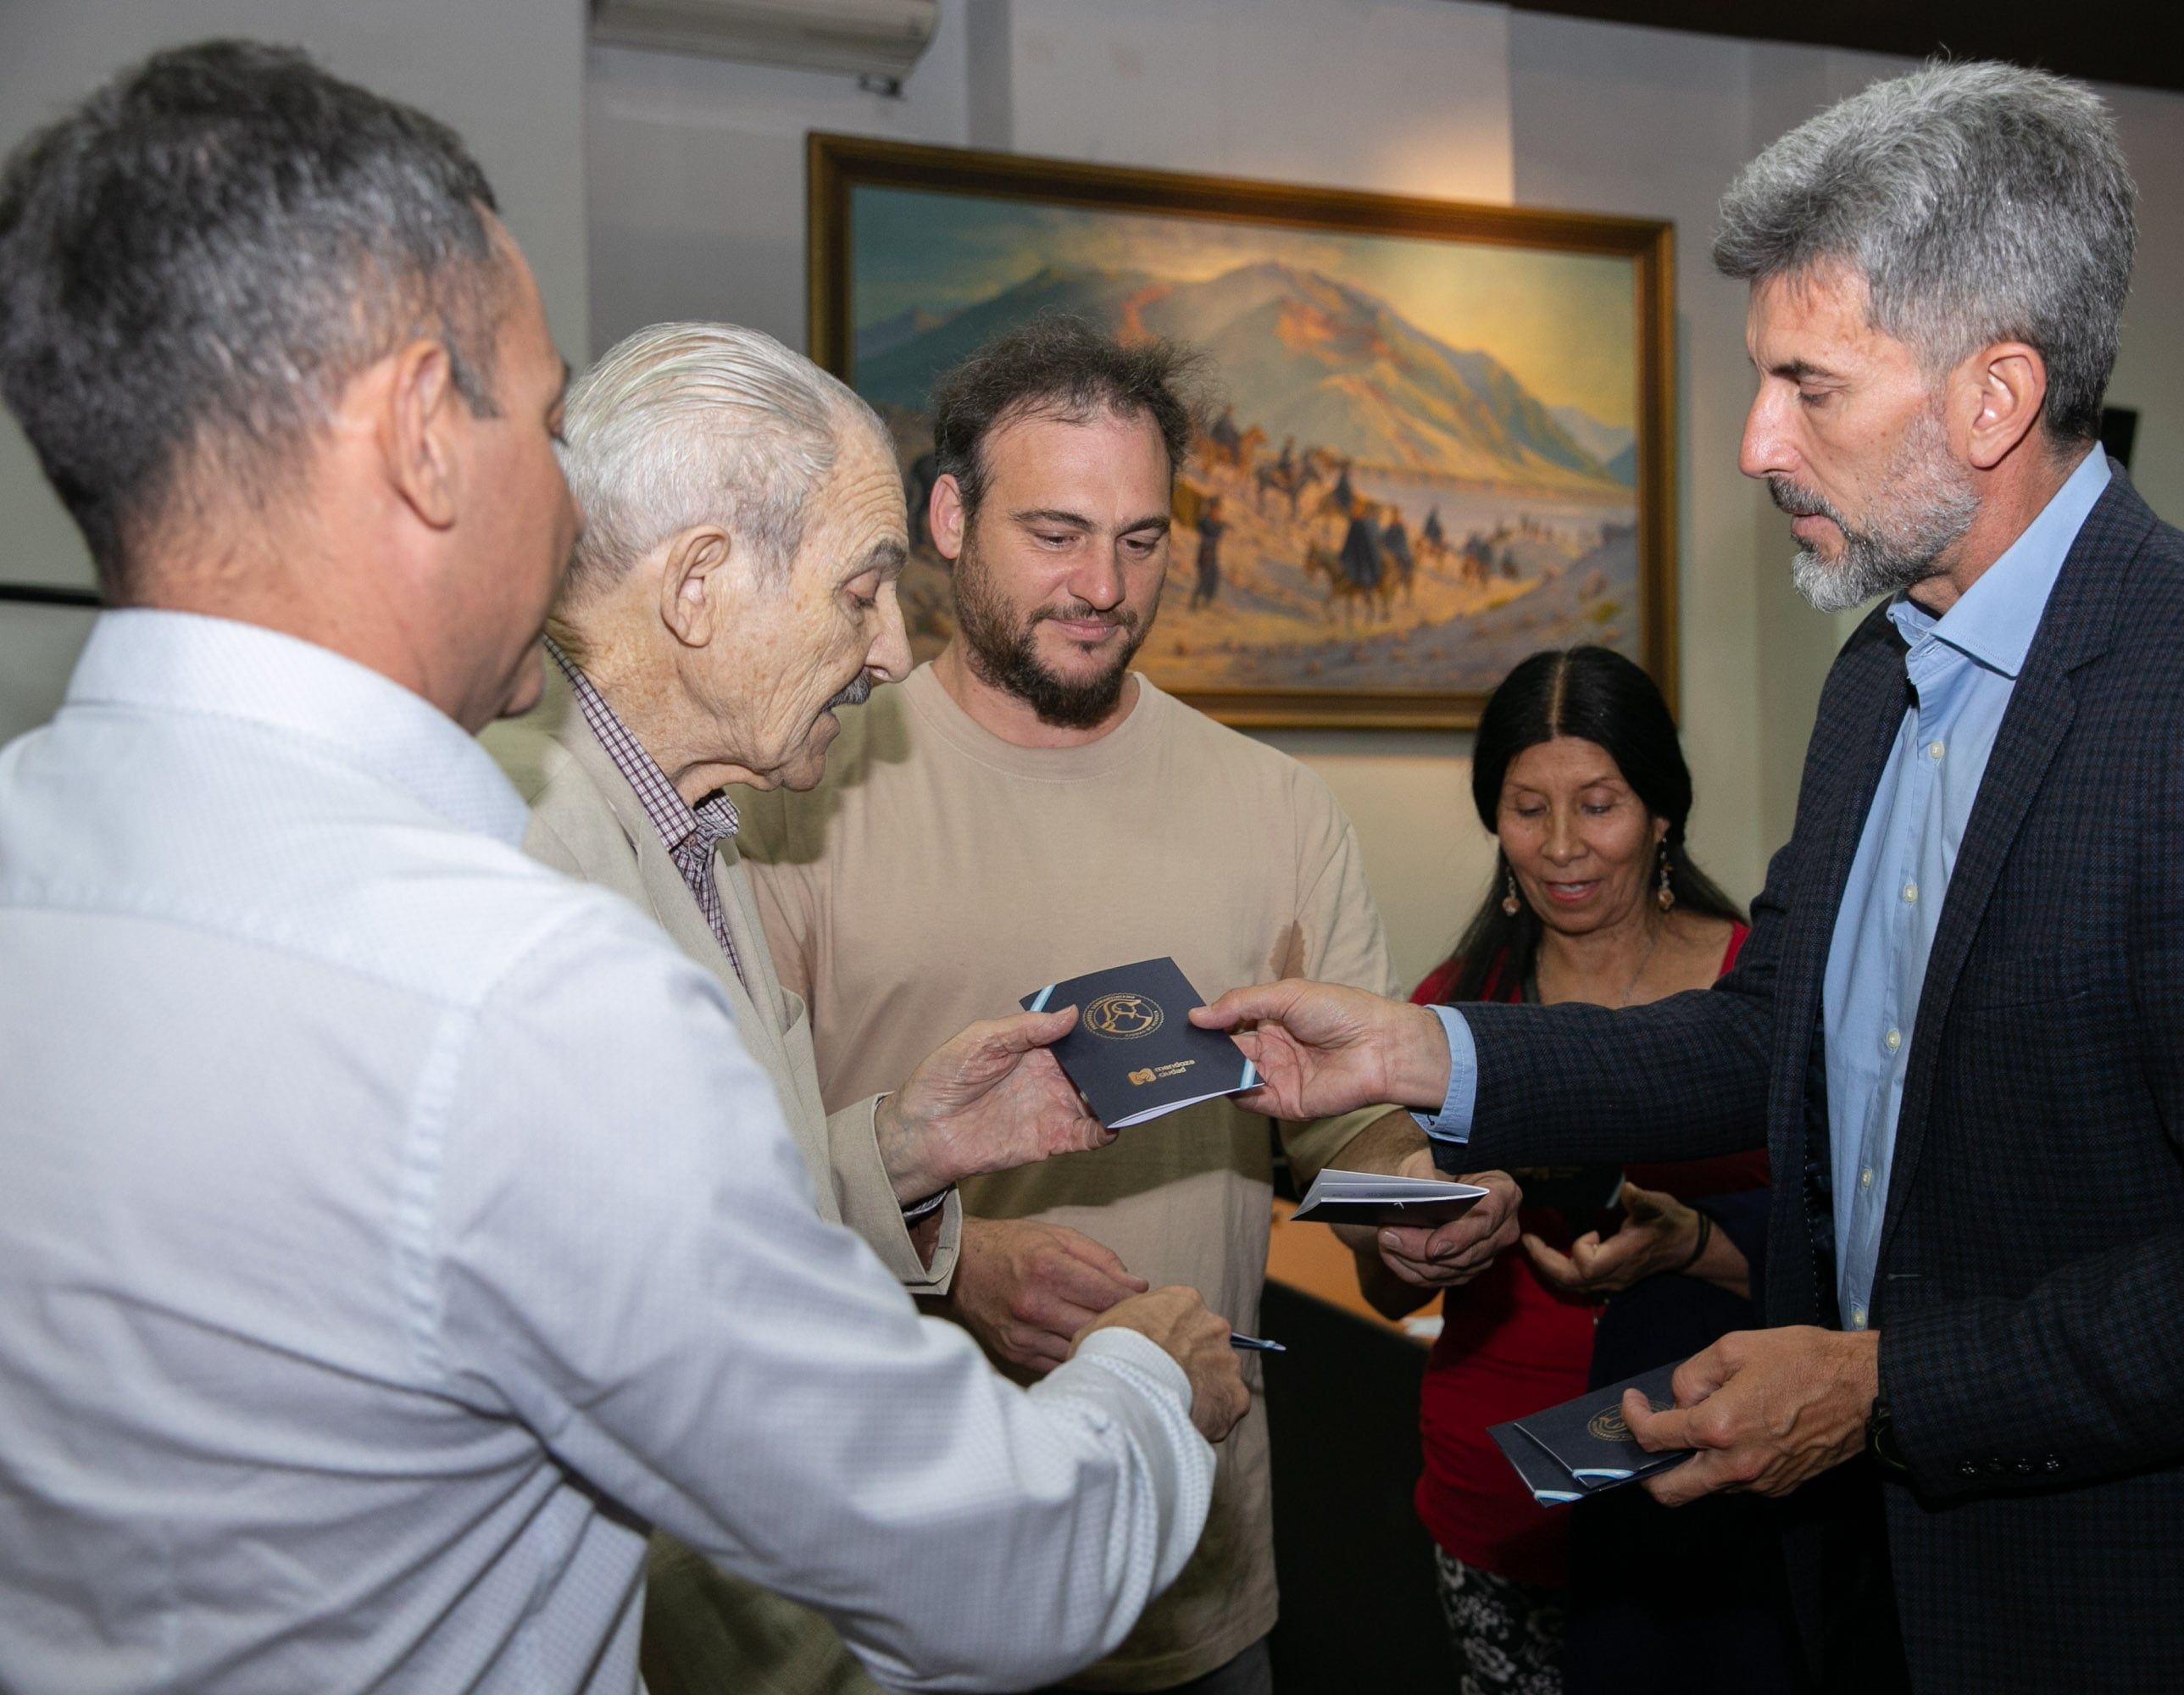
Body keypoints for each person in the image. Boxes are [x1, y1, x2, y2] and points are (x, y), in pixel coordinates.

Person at [1198, 61, 2184, 1693]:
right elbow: (1764, 1031)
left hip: (2154, 1616)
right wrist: (1420, 1053)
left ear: (1994, 398)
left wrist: (1881, 1389)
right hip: (1874, 1594)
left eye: (1811, 386)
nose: (1754, 444)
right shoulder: (1882, 677)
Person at [0, 44, 1246, 1693]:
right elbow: (993, 1566)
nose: (574, 492)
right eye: (543, 409)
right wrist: (1149, 1388)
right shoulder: (521, 996)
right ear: (422, 443)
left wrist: (897, 1151)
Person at [739, 314, 1522, 1695]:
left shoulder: (1276, 809)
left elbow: (1340, 1137)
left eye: (1143, 539)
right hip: (893, 1586)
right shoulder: (807, 793)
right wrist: (955, 1261)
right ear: (947, 517)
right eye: (1055, 533)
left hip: (1193, 1586)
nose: (1104, 584)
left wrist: (1414, 1221)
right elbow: (729, 1176)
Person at [481, 320, 1142, 1694]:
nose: (893, 651)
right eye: (861, 592)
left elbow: (696, 1212)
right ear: (702, 585)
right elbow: (699, 1363)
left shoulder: (682, 827)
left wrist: (899, 1148)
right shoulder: (523, 878)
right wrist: (1140, 1401)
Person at [1349, 646, 1787, 1695]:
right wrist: (1419, 1241)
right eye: (1525, 808)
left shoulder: (1757, 994)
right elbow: (1380, 1277)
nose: (1559, 848)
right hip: (1498, 1496)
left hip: (1714, 1492)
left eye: (1598, 805)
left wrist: (1695, 1244)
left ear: (1663, 808)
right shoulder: (1449, 1010)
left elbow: (1849, 1255)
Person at [1190, 493, 1226, 609]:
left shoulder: (1212, 521)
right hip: (1205, 554)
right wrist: (1220, 527)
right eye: (1215, 509)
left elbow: (1218, 534)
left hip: (1212, 555)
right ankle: (1195, 603)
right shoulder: (1205, 521)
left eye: (1217, 510)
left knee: (1213, 577)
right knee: (1203, 579)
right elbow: (1212, 533)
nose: (1216, 512)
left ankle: (1206, 602)